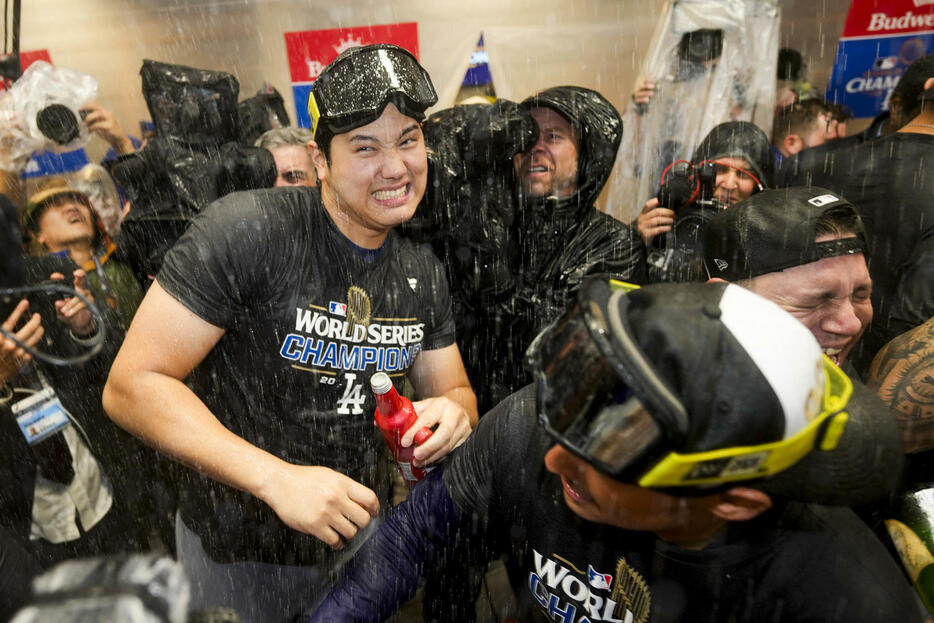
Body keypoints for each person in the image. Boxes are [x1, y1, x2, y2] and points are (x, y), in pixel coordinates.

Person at [102, 44, 478, 621]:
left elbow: (455, 393)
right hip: (236, 552)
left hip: (358, 544)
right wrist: (275, 480)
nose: (396, 167)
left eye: (408, 140)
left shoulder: (421, 270)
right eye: (365, 147)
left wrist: (452, 416)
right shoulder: (250, 230)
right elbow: (131, 385)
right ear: (320, 160)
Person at [308, 279, 918, 622]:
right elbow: (411, 542)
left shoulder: (843, 602)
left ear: (732, 500)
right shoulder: (538, 426)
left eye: (613, 453)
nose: (555, 461)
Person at [703, 187, 871, 374]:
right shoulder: (677, 397)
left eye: (860, 295)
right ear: (725, 301)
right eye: (815, 301)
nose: (851, 324)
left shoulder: (837, 378)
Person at [636, 121, 771, 284]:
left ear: (759, 187)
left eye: (743, 175)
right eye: (720, 170)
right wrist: (636, 241)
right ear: (698, 173)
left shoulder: (766, 237)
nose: (729, 184)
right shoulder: (672, 216)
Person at [22, 179, 144, 330]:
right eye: (58, 204)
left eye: (79, 202)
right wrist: (85, 330)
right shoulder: (38, 289)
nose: (73, 207)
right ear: (38, 233)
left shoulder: (128, 257)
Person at [770, 98, 832, 167]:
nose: (834, 150)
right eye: (827, 141)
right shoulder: (778, 175)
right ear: (792, 144)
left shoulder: (767, 166)